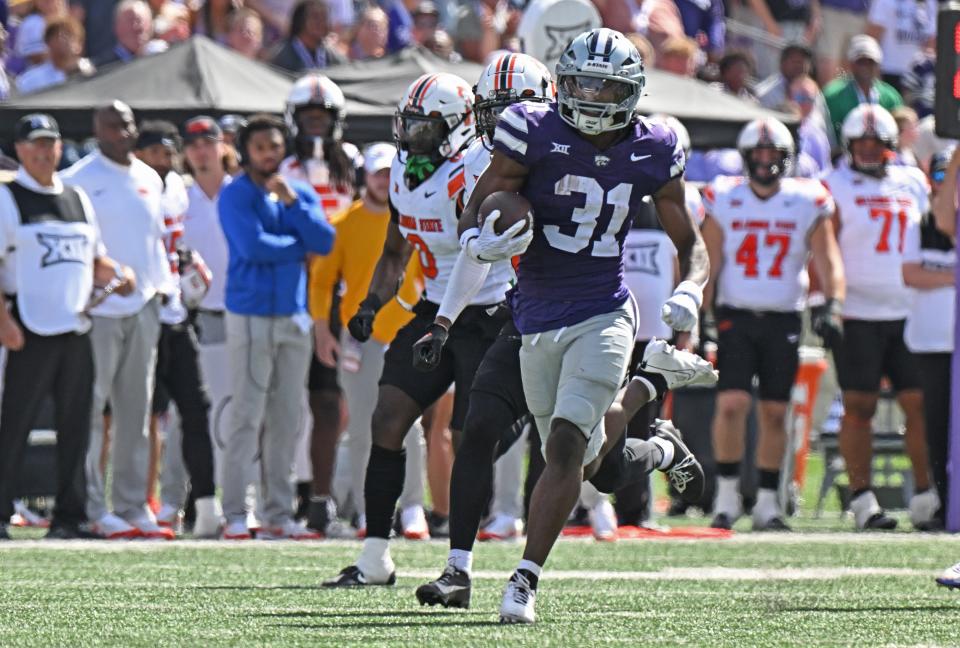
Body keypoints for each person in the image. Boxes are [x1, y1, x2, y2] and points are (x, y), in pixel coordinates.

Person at [451, 28, 711, 623]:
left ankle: (524, 580)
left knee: (564, 445)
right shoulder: (530, 129)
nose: (592, 96)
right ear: (561, 83)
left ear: (631, 91)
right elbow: (481, 200)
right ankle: (651, 395)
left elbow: (690, 241)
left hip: (604, 309)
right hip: (535, 314)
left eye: (606, 85)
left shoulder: (655, 146)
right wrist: (479, 237)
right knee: (594, 464)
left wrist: (691, 288)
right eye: (582, 82)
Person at [321, 71, 510, 587]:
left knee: (469, 437)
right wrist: (372, 301)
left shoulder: (478, 169)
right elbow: (397, 249)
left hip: (488, 314)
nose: (410, 137)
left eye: (424, 128)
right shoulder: (404, 168)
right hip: (432, 309)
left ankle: (458, 566)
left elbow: (482, 257)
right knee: (387, 418)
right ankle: (375, 557)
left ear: (455, 126)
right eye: (408, 125)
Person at [701, 118, 845, 531]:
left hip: (783, 315)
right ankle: (726, 497)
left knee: (776, 411)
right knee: (731, 405)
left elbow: (827, 257)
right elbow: (709, 261)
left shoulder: (806, 199)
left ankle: (768, 501)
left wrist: (831, 303)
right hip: (736, 314)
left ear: (788, 159)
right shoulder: (725, 196)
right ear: (746, 158)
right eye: (759, 155)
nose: (766, 162)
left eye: (773, 155)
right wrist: (699, 316)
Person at [0, 114, 135, 541]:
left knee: (78, 424)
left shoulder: (76, 197)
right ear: (20, 149)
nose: (44, 151)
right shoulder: (8, 198)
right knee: (14, 423)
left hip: (75, 326)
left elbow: (94, 259)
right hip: (28, 325)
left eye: (51, 143)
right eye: (36, 144)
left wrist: (121, 274)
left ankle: (70, 515)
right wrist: (3, 321)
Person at [61, 101, 176, 540]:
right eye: (112, 124)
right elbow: (78, 247)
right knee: (91, 411)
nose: (121, 131)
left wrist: (161, 289)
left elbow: (154, 241)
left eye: (127, 123)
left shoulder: (150, 176)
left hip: (144, 306)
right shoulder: (79, 180)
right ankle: (92, 505)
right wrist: (101, 283)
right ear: (96, 128)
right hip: (99, 310)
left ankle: (132, 504)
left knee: (137, 410)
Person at [217, 113, 335, 540]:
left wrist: (292, 207)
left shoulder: (297, 192)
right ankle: (234, 512)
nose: (269, 154)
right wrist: (297, 244)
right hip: (250, 316)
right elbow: (252, 247)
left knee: (287, 418)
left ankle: (278, 513)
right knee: (247, 416)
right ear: (246, 151)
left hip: (294, 318)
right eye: (260, 147)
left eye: (274, 146)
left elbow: (324, 242)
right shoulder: (235, 195)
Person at [824, 104, 936, 531]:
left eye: (876, 142)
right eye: (861, 143)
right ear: (848, 145)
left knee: (919, 403)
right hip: (856, 311)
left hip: (910, 309)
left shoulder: (912, 181)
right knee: (859, 405)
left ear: (890, 145)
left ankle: (927, 495)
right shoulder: (832, 184)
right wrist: (826, 299)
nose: (869, 149)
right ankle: (862, 499)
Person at [309, 142, 428, 538]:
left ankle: (412, 508)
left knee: (410, 426)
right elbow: (323, 282)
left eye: (391, 172)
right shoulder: (344, 222)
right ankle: (366, 509)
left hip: (407, 331)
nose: (385, 179)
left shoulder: (418, 217)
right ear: (365, 176)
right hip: (359, 338)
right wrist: (323, 331)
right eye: (378, 172)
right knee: (361, 427)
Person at [278, 73, 361, 537]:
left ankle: (327, 497)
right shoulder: (286, 168)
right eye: (307, 118)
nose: (315, 126)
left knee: (337, 403)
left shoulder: (352, 163)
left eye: (321, 117)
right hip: (300, 293)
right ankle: (300, 492)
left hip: (344, 296)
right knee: (298, 403)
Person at [134, 120, 221, 538]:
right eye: (155, 151)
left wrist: (186, 263)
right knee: (136, 414)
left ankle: (204, 502)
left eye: (168, 151)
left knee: (196, 411)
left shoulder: (176, 188)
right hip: (141, 311)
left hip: (176, 314)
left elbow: (173, 243)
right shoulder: (129, 185)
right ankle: (134, 504)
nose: (163, 159)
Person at [178, 116, 234, 528]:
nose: (200, 149)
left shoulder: (242, 191)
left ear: (222, 145)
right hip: (197, 315)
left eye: (208, 141)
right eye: (193, 143)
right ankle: (186, 499)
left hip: (244, 313)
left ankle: (239, 497)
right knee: (199, 415)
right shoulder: (178, 196)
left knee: (240, 412)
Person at [904, 150, 957, 531]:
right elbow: (912, 274)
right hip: (932, 343)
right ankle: (944, 500)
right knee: (937, 427)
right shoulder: (920, 223)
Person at [822, 35, 902, 147]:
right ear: (851, 64)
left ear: (878, 65)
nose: (865, 66)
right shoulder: (833, 95)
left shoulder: (891, 97)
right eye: (860, 61)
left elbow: (899, 133)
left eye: (870, 61)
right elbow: (825, 133)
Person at [864, 0, 935, 94]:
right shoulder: (884, 2)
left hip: (917, 76)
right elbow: (872, 39)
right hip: (888, 71)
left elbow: (931, 42)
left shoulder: (930, 3)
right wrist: (874, 74)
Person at [15, 17, 94, 95]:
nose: (64, 40)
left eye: (69, 35)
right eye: (59, 36)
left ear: (79, 44)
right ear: (47, 43)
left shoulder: (89, 70)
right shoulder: (29, 81)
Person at [269, 0, 345, 73]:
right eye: (315, 17)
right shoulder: (281, 55)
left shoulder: (329, 54)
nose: (322, 22)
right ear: (300, 20)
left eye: (325, 18)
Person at [92, 0, 167, 67]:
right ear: (117, 27)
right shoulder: (103, 66)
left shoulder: (163, 52)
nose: (136, 26)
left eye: (139, 20)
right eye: (130, 21)